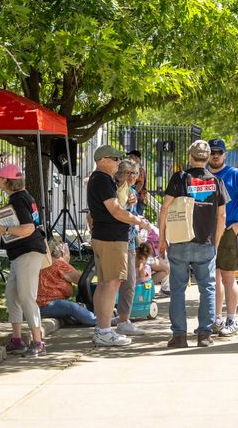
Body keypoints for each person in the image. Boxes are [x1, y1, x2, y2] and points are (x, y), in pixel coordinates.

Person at [159, 140, 228, 348]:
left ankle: (179, 336)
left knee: (178, 289)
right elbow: (222, 216)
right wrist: (215, 242)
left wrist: (162, 238)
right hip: (205, 242)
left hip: (179, 241)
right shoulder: (216, 182)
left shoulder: (179, 178)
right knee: (207, 288)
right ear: (207, 158)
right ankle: (204, 335)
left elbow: (164, 209)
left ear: (190, 156)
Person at [87, 145, 150, 347]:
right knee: (111, 283)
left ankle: (102, 329)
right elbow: (115, 211)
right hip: (111, 238)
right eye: (115, 159)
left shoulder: (101, 180)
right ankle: (105, 331)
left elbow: (115, 207)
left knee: (105, 283)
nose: (118, 163)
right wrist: (138, 221)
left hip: (105, 237)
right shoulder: (103, 179)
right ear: (103, 159)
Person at [0, 164, 49, 357]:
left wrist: (4, 230)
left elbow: (28, 228)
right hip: (21, 253)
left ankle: (38, 342)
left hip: (27, 252)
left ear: (8, 181)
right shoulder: (24, 196)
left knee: (26, 297)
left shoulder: (17, 199)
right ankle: (17, 340)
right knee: (12, 295)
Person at [208, 139, 238, 337]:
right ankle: (216, 319)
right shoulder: (201, 175)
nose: (215, 155)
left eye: (219, 151)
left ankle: (232, 319)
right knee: (213, 278)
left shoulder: (234, 174)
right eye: (212, 151)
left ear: (225, 154)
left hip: (228, 230)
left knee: (227, 277)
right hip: (207, 232)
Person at [114, 158, 148, 338]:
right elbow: (119, 213)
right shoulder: (116, 190)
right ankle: (116, 320)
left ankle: (121, 319)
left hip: (130, 241)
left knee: (128, 282)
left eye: (136, 173)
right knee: (118, 282)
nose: (134, 177)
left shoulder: (132, 191)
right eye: (130, 173)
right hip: (118, 242)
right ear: (121, 174)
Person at [38, 241, 97, 326]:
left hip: (41, 305)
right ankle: (97, 321)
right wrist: (66, 261)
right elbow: (82, 280)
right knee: (73, 308)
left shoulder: (45, 262)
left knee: (72, 307)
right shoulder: (59, 263)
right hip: (47, 304)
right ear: (62, 251)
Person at [127, 150, 148, 216]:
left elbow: (140, 183)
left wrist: (133, 194)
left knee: (136, 218)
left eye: (131, 156)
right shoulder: (137, 168)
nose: (129, 158)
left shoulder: (139, 169)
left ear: (136, 158)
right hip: (137, 197)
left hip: (138, 198)